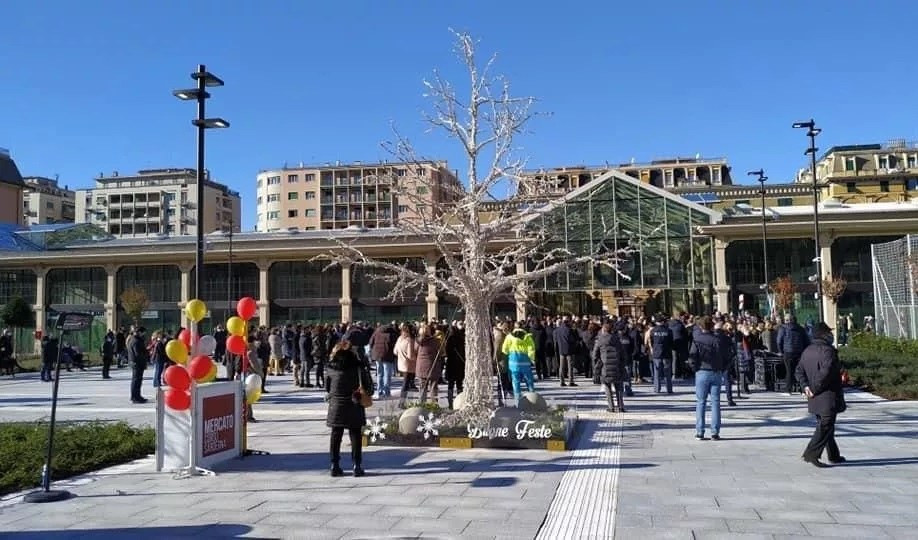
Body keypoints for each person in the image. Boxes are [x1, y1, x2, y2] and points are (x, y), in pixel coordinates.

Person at [795, 322, 847, 468]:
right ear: (823, 335)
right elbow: (826, 373)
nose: (831, 335)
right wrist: (813, 388)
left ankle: (834, 455)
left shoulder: (808, 350)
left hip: (814, 396)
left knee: (827, 425)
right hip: (826, 395)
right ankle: (811, 454)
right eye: (828, 332)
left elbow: (798, 371)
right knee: (825, 425)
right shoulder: (828, 351)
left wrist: (806, 387)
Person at [325, 339, 369, 477]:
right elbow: (368, 387)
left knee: (336, 435)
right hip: (354, 403)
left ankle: (334, 465)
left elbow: (327, 388)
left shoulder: (331, 368)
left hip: (336, 405)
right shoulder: (358, 367)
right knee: (355, 435)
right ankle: (357, 465)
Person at [689, 316, 725, 440]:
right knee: (715, 402)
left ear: (700, 326)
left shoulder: (697, 339)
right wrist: (721, 368)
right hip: (715, 371)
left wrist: (695, 368)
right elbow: (724, 355)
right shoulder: (717, 340)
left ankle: (700, 431)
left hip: (702, 371)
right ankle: (715, 432)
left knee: (701, 402)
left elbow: (692, 357)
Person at [593, 321, 626, 413]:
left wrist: (598, 363)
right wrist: (622, 363)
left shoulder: (600, 340)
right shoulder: (617, 339)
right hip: (617, 365)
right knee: (618, 387)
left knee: (607, 387)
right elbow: (622, 353)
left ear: (604, 329)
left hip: (605, 366)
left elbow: (595, 355)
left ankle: (611, 407)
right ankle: (621, 406)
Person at [501, 322, 536, 406]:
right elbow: (531, 348)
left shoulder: (509, 337)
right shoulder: (527, 337)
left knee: (516, 381)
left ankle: (518, 401)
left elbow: (504, 349)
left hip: (514, 362)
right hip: (525, 362)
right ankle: (532, 398)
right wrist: (531, 359)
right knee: (529, 380)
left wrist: (509, 352)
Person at [777, 314, 810, 395]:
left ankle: (788, 390)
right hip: (799, 352)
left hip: (788, 352)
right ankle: (803, 390)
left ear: (786, 320)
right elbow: (806, 341)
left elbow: (779, 341)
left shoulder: (783, 329)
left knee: (789, 371)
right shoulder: (800, 328)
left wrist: (781, 351)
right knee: (801, 371)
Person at [369, 321, 398, 398]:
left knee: (379, 374)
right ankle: (387, 392)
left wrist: (373, 351)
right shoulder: (392, 334)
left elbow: (371, 343)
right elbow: (395, 345)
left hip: (378, 356)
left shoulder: (376, 332)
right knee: (387, 375)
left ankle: (380, 391)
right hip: (387, 355)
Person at [649, 315, 674, 394]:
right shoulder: (668, 331)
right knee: (667, 372)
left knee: (657, 372)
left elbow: (651, 341)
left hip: (656, 353)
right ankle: (669, 389)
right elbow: (671, 342)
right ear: (663, 322)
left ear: (656, 322)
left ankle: (657, 388)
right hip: (666, 352)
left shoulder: (653, 331)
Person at [444, 323, 466, 409]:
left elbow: (447, 351)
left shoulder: (449, 340)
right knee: (459, 384)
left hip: (451, 364)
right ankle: (460, 402)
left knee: (450, 384)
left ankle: (450, 403)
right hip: (459, 364)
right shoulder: (460, 339)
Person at [553, 317, 578, 387]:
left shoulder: (557, 330)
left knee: (561, 366)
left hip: (561, 349)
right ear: (567, 322)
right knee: (570, 366)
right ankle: (571, 381)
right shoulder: (569, 330)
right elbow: (572, 340)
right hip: (569, 350)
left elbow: (556, 340)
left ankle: (562, 381)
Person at [128, 327, 149, 403]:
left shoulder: (135, 340)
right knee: (136, 381)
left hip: (137, 363)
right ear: (140, 332)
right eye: (143, 333)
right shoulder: (136, 341)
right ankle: (134, 397)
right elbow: (138, 354)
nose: (144, 335)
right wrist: (145, 354)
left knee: (138, 380)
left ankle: (137, 396)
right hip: (137, 363)